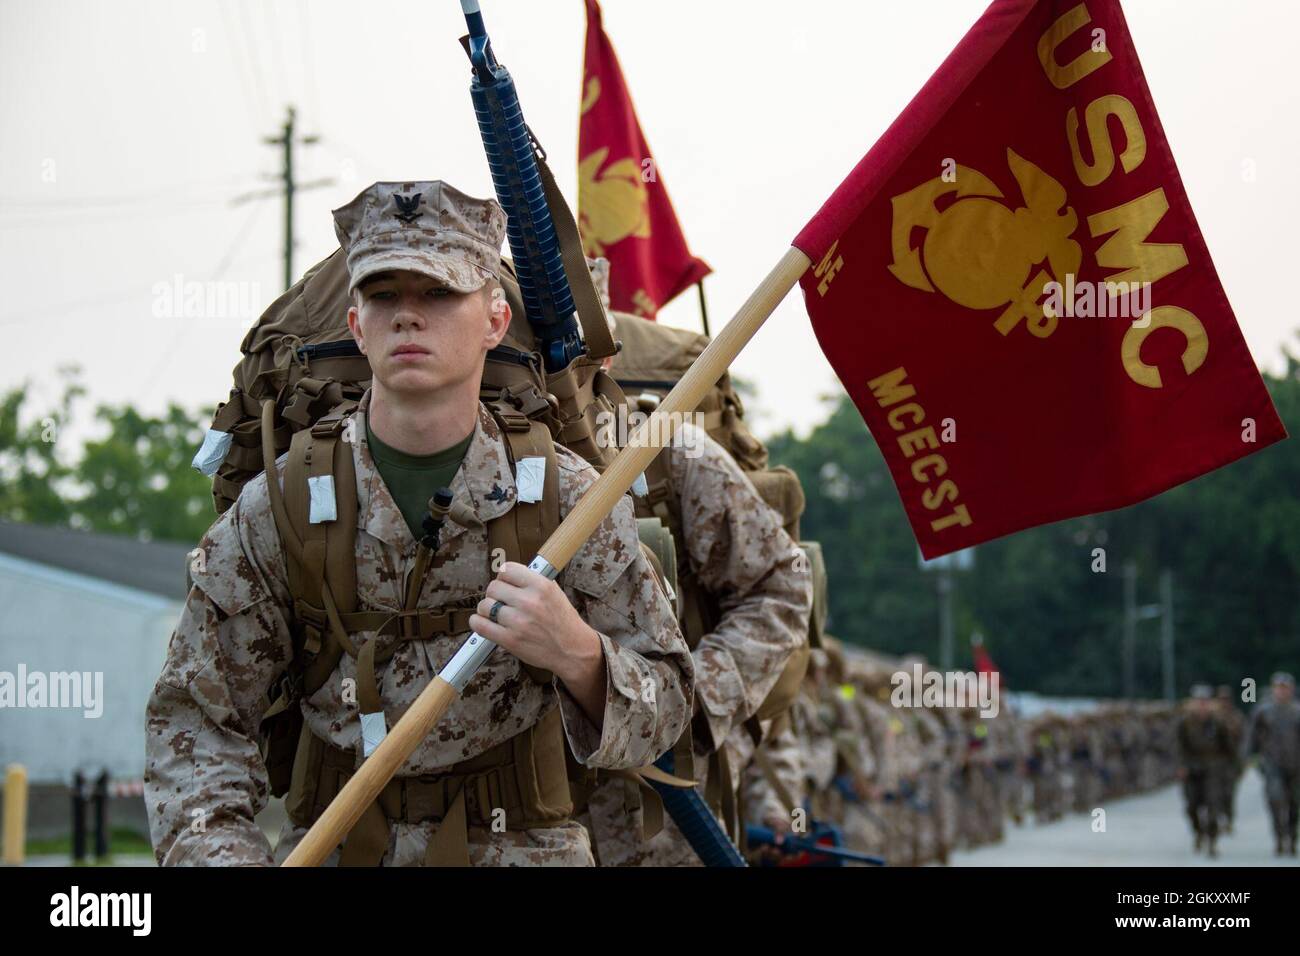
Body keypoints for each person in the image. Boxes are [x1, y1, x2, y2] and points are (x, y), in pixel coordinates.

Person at [144, 180, 694, 866]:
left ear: (494, 321)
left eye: (438, 294)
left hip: (524, 847)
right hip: (337, 848)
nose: (408, 316)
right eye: (383, 295)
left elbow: (667, 712)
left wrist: (578, 654)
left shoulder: (570, 503)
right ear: (356, 325)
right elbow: (195, 722)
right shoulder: (280, 508)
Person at [1243, 672, 1300, 856]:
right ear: (1274, 689)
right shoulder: (1263, 712)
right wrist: (1248, 757)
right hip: (1272, 763)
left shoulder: (1297, 711)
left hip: (1296, 764)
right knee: (1275, 799)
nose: (1282, 692)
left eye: (1285, 688)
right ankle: (1279, 837)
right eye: (1279, 688)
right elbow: (1252, 736)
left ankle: (1291, 836)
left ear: (1291, 690)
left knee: (1294, 803)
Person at [1175, 684, 1235, 858]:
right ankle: (1199, 832)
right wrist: (1181, 766)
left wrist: (1232, 768)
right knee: (1191, 806)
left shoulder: (1218, 722)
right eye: (1198, 701)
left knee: (1213, 807)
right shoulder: (1185, 723)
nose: (1202, 705)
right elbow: (1179, 746)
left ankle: (1212, 842)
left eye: (1205, 701)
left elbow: (1228, 747)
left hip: (1214, 769)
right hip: (1192, 768)